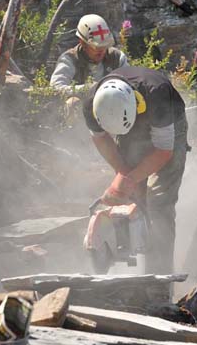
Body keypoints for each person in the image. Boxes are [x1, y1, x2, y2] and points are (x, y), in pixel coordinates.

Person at [82, 65, 187, 274]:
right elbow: (102, 139)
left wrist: (128, 180)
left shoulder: (158, 95)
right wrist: (124, 175)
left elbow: (163, 152)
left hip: (169, 132)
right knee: (133, 197)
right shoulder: (91, 104)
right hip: (128, 134)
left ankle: (160, 278)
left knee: (158, 202)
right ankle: (130, 257)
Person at [51, 14, 128, 106]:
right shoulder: (69, 59)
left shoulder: (117, 57)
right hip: (82, 110)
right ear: (82, 43)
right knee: (72, 102)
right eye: (96, 47)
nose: (102, 51)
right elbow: (56, 89)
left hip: (111, 106)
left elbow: (129, 85)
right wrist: (87, 89)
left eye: (105, 46)